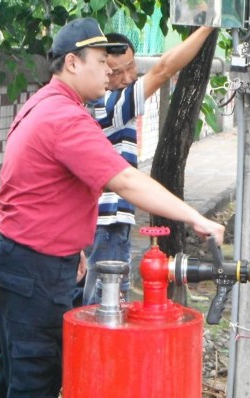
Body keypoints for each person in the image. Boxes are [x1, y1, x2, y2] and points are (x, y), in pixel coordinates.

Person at [0, 17, 224, 397]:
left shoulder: (45, 102)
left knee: (14, 364)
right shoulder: (65, 117)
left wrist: (72, 245)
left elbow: (40, 189)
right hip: (32, 266)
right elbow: (127, 181)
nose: (109, 70)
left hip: (19, 253)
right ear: (73, 63)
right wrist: (194, 217)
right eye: (100, 61)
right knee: (36, 374)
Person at [82, 26, 215, 305]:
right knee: (107, 302)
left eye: (132, 67)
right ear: (103, 70)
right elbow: (164, 69)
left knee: (95, 294)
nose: (128, 77)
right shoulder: (111, 104)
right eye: (118, 71)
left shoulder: (96, 103)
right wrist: (207, 27)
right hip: (110, 222)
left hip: (99, 222)